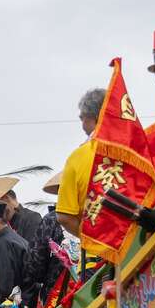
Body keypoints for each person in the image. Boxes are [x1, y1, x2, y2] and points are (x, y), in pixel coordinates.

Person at [56, 87, 106, 239]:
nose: (82, 124)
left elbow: (64, 217)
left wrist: (91, 240)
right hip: (141, 251)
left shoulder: (78, 157)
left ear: (94, 117)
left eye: (82, 118)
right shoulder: (136, 151)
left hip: (97, 257)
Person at [23, 171, 68, 308]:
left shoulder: (52, 220)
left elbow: (35, 266)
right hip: (101, 284)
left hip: (59, 294)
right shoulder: (99, 212)